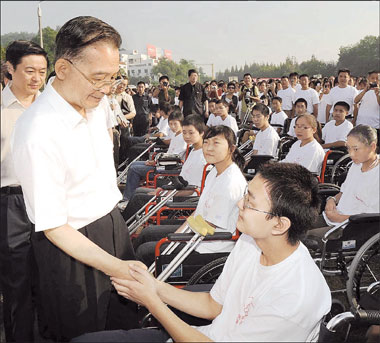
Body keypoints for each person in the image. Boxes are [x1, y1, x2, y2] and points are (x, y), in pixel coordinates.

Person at [73, 163, 331, 343]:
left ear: (279, 224)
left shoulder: (295, 296)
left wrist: (153, 301)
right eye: (245, 196)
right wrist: (153, 285)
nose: (239, 204)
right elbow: (212, 305)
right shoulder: (252, 241)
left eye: (250, 202)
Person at [11, 16, 146, 341]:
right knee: (84, 332)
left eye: (112, 78)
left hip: (111, 227)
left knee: (124, 328)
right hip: (72, 250)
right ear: (64, 68)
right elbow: (55, 226)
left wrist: (119, 254)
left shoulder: (96, 105)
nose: (106, 88)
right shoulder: (38, 129)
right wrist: (116, 267)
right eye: (98, 78)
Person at [133, 125, 247, 266]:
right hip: (197, 232)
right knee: (147, 233)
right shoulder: (214, 171)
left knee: (146, 251)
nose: (209, 148)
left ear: (232, 148)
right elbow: (199, 213)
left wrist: (178, 238)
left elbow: (209, 224)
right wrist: (179, 234)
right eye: (206, 142)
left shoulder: (230, 183)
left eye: (216, 143)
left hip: (210, 245)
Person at [0, 40, 48, 342]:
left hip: (48, 201)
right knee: (17, 284)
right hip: (12, 204)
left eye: (42, 72)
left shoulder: (52, 108)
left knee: (50, 280)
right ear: (10, 68)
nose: (36, 78)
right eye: (29, 71)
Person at [121, 114, 207, 222]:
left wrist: (165, 192)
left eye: (191, 133)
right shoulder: (194, 151)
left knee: (139, 198)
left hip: (184, 200)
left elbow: (192, 189)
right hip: (176, 191)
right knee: (138, 191)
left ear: (201, 133)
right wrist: (163, 189)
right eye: (184, 133)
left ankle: (122, 227)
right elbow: (181, 179)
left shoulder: (203, 157)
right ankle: (122, 225)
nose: (187, 136)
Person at [308, 125, 379, 232]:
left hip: (353, 227)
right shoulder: (356, 165)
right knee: (295, 227)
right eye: (348, 148)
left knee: (302, 238)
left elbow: (373, 216)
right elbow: (344, 192)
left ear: (372, 146)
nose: (351, 154)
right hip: (334, 217)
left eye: (356, 149)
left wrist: (339, 218)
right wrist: (332, 200)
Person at [120, 110, 186, 205]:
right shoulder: (176, 135)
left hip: (167, 168)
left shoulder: (182, 138)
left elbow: (175, 158)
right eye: (170, 124)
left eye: (175, 124)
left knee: (134, 168)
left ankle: (127, 198)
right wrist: (154, 161)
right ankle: (127, 196)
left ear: (181, 123)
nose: (172, 127)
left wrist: (155, 162)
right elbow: (168, 154)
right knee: (133, 164)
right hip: (161, 163)